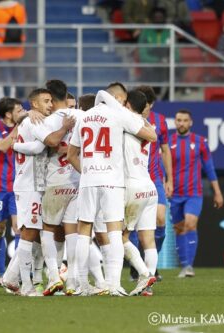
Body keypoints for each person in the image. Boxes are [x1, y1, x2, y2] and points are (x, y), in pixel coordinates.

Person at [67, 89, 157, 296]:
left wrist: (87, 171)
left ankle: (82, 285)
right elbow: (150, 135)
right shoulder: (119, 115)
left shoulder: (84, 117)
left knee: (84, 232)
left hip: (89, 180)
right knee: (115, 231)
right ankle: (114, 285)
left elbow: (72, 154)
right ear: (115, 100)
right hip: (112, 181)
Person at [1, 88, 74, 296]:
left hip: (37, 184)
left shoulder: (34, 119)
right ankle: (26, 285)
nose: (50, 105)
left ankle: (12, 279)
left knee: (36, 236)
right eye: (46, 101)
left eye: (51, 100)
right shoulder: (33, 121)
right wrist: (16, 145)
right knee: (29, 234)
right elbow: (40, 146)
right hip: (28, 185)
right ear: (34, 104)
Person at [169, 109, 224, 278]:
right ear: (175, 122)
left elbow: (209, 168)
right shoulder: (168, 142)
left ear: (191, 122)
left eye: (185, 120)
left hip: (194, 192)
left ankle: (189, 267)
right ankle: (184, 265)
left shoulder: (200, 142)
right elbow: (161, 166)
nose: (181, 123)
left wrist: (217, 192)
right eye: (179, 120)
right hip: (175, 194)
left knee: (190, 224)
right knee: (178, 229)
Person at [128, 85, 172, 285]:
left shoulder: (161, 121)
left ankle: (150, 264)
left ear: (151, 105)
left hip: (154, 178)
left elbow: (165, 150)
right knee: (134, 225)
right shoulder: (127, 118)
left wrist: (169, 179)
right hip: (133, 178)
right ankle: (138, 267)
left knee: (160, 220)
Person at [120, 90, 158, 296]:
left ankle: (143, 274)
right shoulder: (147, 124)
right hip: (149, 186)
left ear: (127, 104)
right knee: (148, 239)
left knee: (119, 235)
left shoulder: (126, 122)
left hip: (132, 185)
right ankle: (147, 286)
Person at [0, 97, 25, 284]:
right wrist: (18, 127)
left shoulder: (26, 126)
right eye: (19, 110)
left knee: (18, 228)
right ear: (9, 114)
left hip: (18, 185)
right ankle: (1, 272)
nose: (23, 112)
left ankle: (13, 275)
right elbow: (1, 146)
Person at [0, 0, 27, 99]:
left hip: (0, 48)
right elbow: (23, 25)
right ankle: (20, 98)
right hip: (17, 46)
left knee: (5, 75)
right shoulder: (19, 8)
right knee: (18, 74)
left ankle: (8, 99)